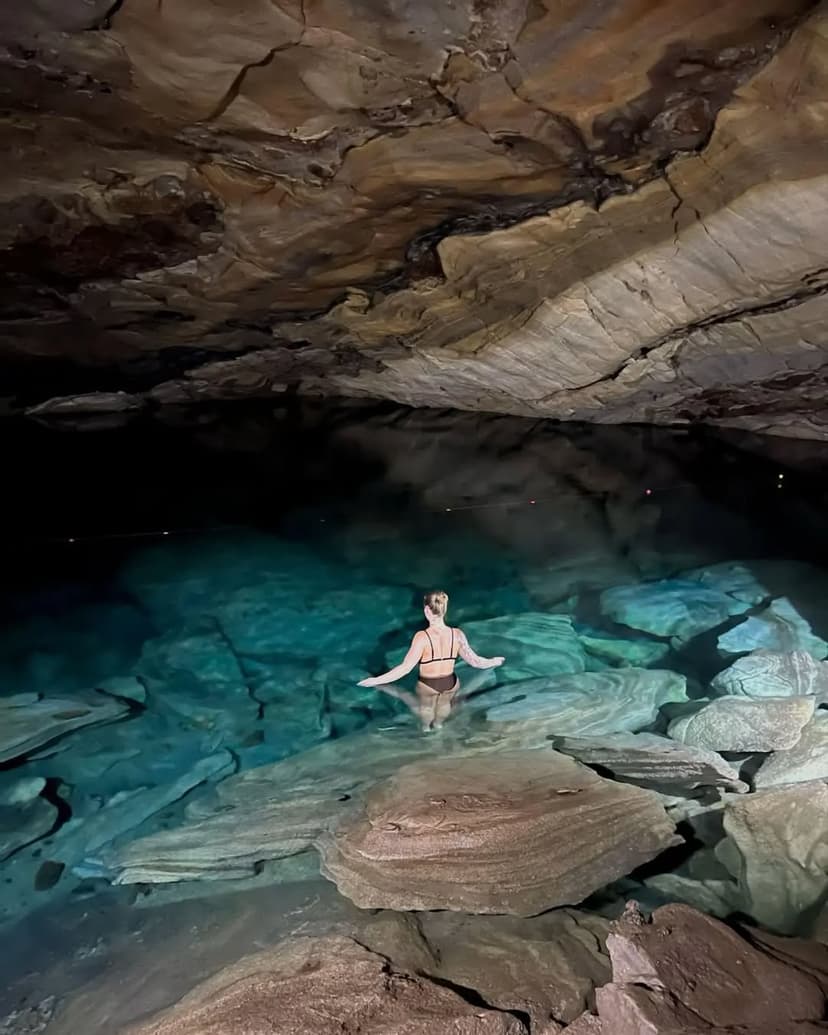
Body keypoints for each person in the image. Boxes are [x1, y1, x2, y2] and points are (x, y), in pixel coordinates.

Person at [358, 590, 504, 732]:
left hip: (429, 684)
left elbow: (405, 668)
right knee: (444, 705)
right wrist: (493, 661)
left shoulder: (422, 637)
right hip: (449, 681)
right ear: (444, 610)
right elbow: (475, 661)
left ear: (427, 610)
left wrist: (376, 680)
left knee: (424, 707)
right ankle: (439, 725)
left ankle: (426, 728)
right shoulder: (457, 634)